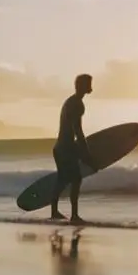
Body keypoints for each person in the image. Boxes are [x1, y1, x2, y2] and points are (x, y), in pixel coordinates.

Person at [51, 73, 98, 223]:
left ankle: (54, 212)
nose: (90, 86)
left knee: (63, 180)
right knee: (76, 180)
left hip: (60, 148)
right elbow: (77, 130)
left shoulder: (70, 101)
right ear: (82, 86)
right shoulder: (76, 104)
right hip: (66, 149)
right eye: (88, 83)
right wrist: (86, 153)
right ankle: (74, 215)